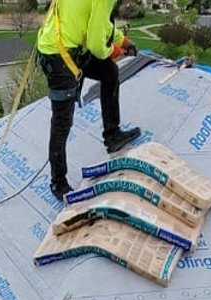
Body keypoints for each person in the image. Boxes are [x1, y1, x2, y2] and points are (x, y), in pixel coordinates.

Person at [37, 0, 143, 200]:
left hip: (67, 47)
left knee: (109, 71)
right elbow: (96, 45)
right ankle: (58, 182)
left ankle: (113, 134)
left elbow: (98, 22)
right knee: (62, 121)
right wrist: (113, 51)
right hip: (58, 57)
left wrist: (121, 41)